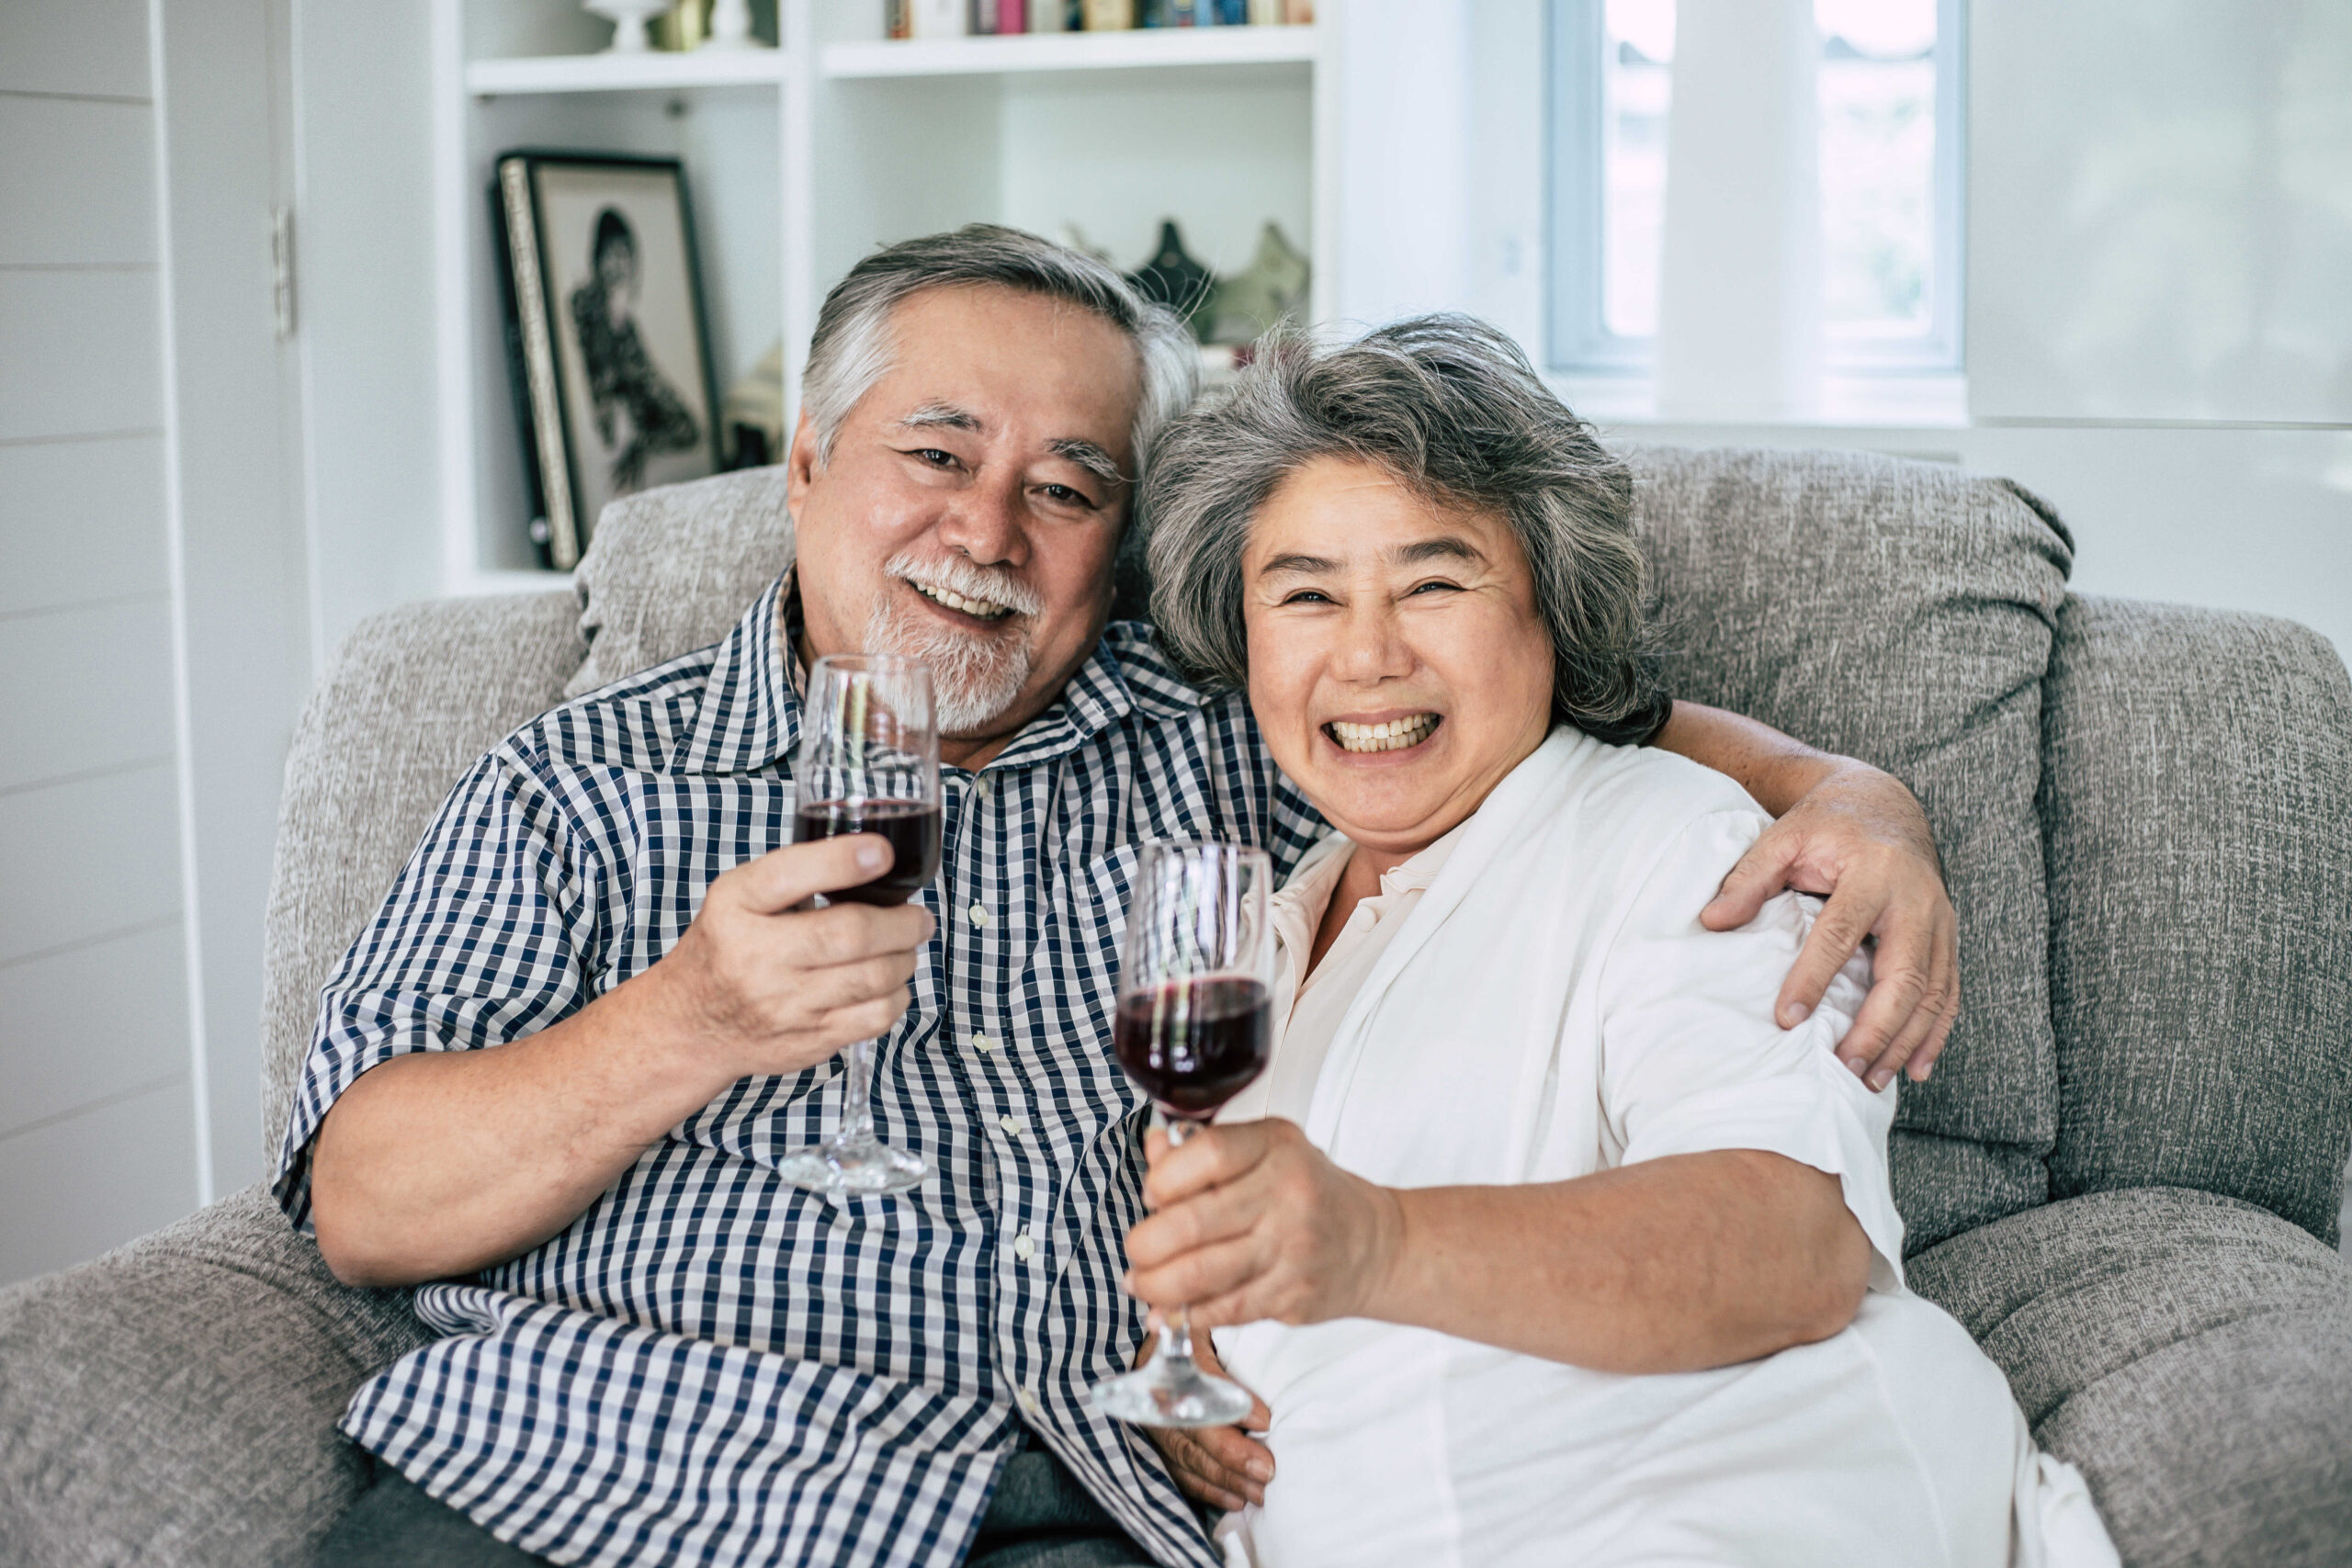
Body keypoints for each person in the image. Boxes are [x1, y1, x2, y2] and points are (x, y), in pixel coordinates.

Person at [286, 227, 1962, 1568]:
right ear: (801, 464)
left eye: (1068, 485)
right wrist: (689, 1020)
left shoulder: (1236, 730)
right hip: (586, 1463)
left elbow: (1537, 718)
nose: (988, 527)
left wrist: (1853, 797)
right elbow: (363, 1200)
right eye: (935, 451)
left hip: (1045, 1489)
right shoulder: (579, 785)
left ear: (1125, 536)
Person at [1118, 316, 2118, 1567]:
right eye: (1306, 592)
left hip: (1713, 1507)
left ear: (1549, 612)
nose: (1366, 655)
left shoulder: (1678, 843)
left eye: (1434, 582)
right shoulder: (1268, 924)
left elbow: (1791, 1244)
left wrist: (1377, 1240)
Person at [571, 206, 703, 491]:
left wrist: (643, 442)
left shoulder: (627, 328)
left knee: (686, 428)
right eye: (612, 254)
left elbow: (651, 385)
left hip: (639, 422)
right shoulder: (582, 306)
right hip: (611, 430)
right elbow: (602, 389)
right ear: (598, 257)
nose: (619, 265)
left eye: (625, 255)